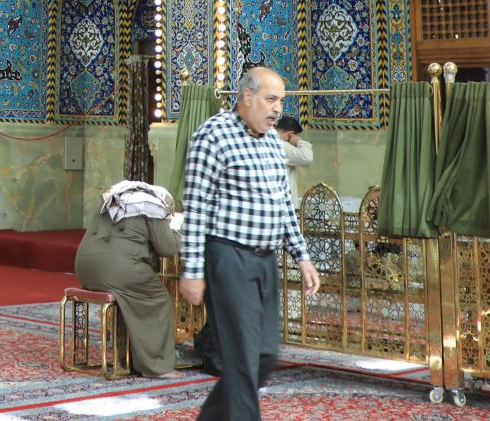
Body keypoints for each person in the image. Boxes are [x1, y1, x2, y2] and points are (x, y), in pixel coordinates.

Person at [178, 65, 320, 421]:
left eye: (281, 101)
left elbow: (283, 204)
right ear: (246, 97)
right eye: (271, 99)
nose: (277, 109)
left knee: (263, 356)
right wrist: (192, 271)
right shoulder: (212, 136)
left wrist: (301, 256)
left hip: (265, 261)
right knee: (242, 359)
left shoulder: (273, 139)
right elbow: (196, 209)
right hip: (229, 258)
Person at [75, 179, 183, 377]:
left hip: (85, 268)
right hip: (118, 270)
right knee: (157, 299)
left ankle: (127, 356)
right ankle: (157, 367)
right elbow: (167, 247)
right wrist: (177, 229)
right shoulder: (153, 206)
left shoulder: (112, 198)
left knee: (130, 298)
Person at [276, 115, 311, 191]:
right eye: (296, 136)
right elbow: (307, 157)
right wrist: (299, 141)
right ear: (289, 135)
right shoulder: (282, 146)